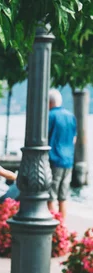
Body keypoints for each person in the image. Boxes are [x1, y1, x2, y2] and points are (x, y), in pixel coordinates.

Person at [48, 89, 77, 221]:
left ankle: (52, 226)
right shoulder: (71, 116)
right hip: (68, 160)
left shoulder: (50, 116)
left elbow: (44, 137)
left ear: (49, 102)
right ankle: (62, 226)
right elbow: (74, 139)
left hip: (54, 159)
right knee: (63, 196)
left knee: (51, 195)